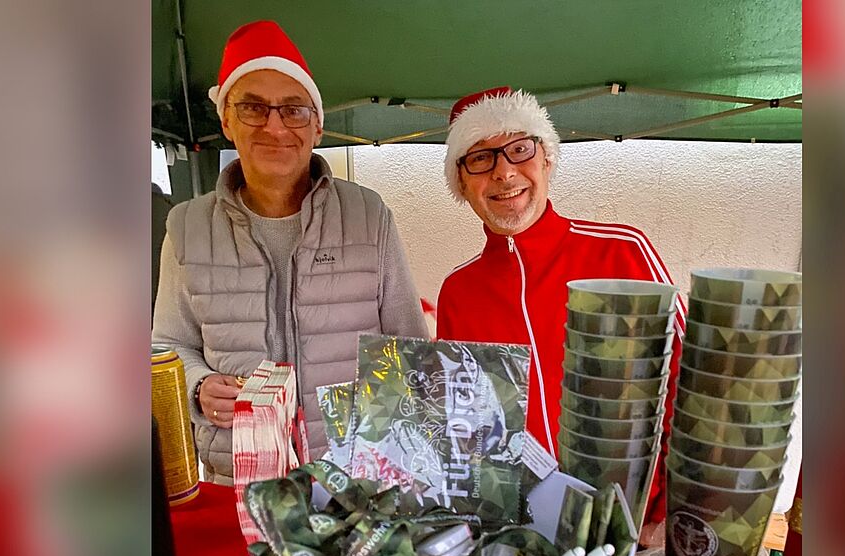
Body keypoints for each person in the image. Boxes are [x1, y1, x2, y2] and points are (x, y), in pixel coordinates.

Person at [153, 20, 427, 485]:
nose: (275, 127)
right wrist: (199, 386)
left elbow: (409, 344)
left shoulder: (366, 213)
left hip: (353, 476)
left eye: (294, 110)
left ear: (317, 125)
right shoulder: (187, 226)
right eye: (254, 108)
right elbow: (167, 347)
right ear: (227, 121)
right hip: (240, 477)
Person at [435, 87, 685, 527]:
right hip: (521, 532)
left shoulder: (622, 252)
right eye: (480, 158)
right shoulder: (458, 292)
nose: (503, 172)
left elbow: (691, 383)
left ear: (547, 158)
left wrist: (663, 511)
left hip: (637, 521)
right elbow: (466, 427)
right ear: (462, 182)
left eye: (519, 149)